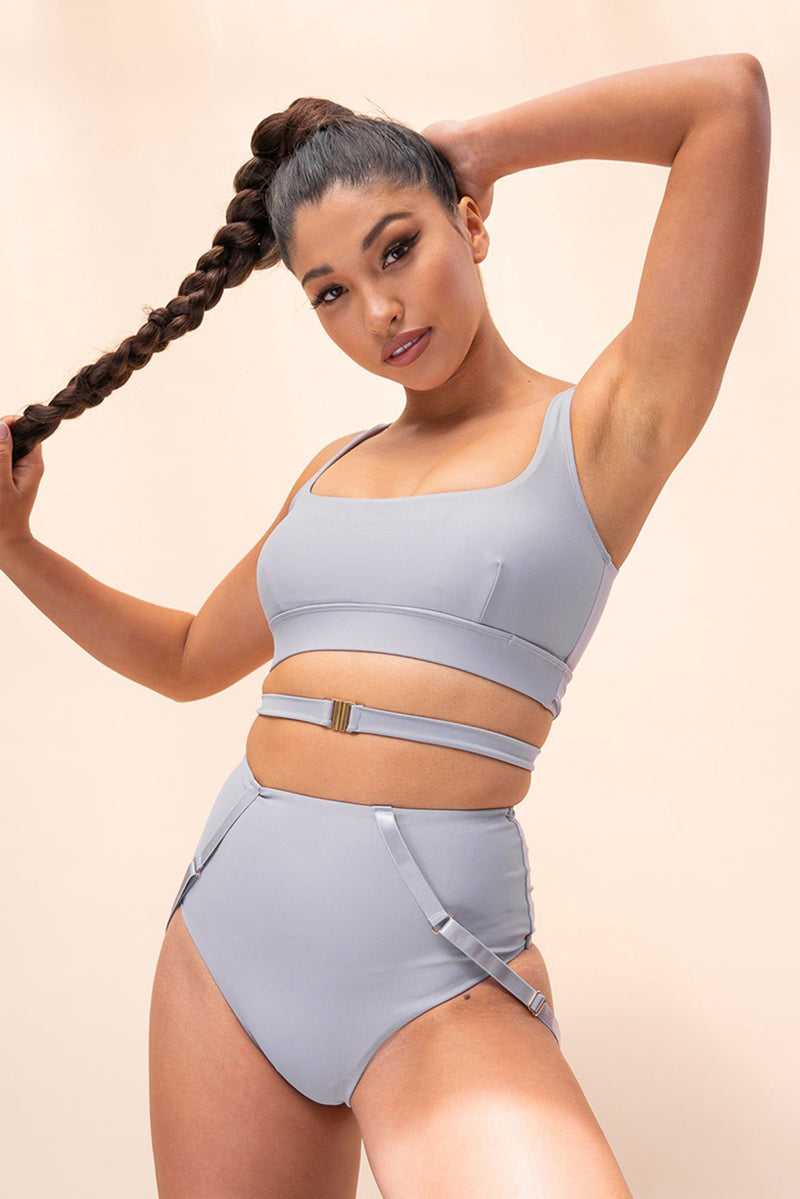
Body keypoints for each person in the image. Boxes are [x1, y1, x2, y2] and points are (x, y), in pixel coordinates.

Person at [0, 52, 770, 1199]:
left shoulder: (606, 426)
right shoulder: (333, 469)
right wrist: (17, 548)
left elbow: (724, 102)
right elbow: (185, 657)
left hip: (436, 965)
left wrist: (472, 147)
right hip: (229, 941)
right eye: (328, 291)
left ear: (470, 221)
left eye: (397, 248)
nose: (379, 311)